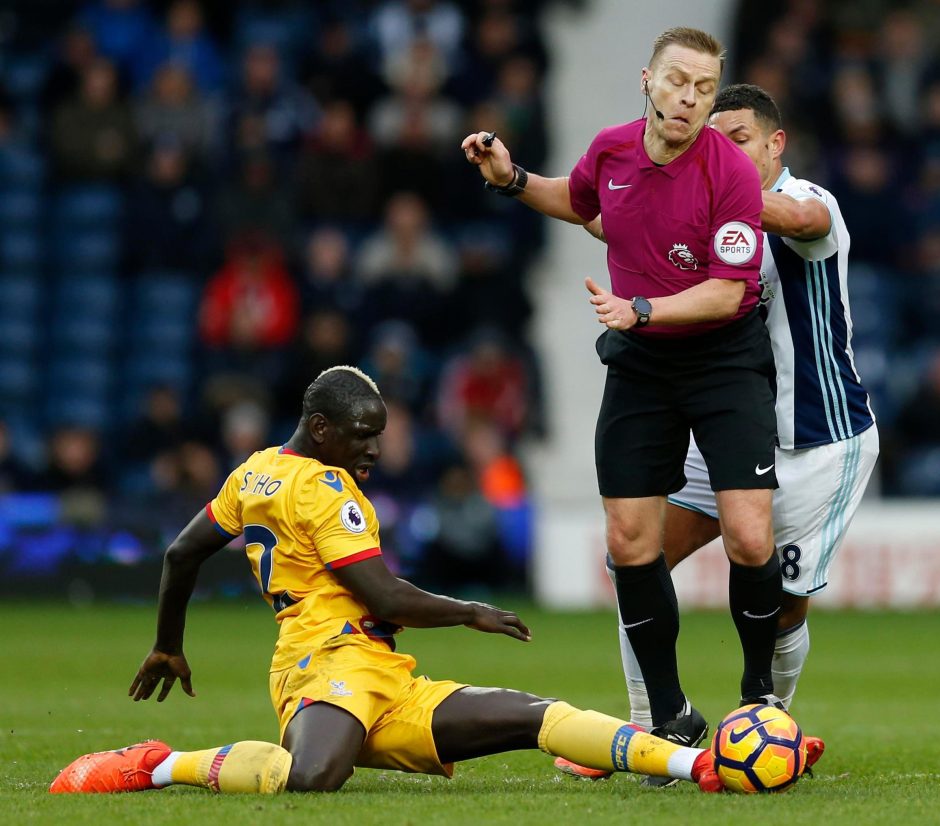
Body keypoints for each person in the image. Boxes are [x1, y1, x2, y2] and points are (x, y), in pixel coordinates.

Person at [49, 366, 732, 795]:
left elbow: (180, 554)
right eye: (360, 434)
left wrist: (169, 642)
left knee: (537, 717)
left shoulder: (252, 471)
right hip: (323, 666)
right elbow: (383, 594)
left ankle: (693, 767)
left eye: (378, 433)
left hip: (380, 672)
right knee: (313, 777)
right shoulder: (325, 489)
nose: (374, 448)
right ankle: (160, 764)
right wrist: (468, 611)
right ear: (320, 429)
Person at [462, 26, 783, 750]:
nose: (689, 99)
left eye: (704, 88)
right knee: (629, 540)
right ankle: (669, 714)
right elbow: (579, 203)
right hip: (642, 366)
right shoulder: (610, 151)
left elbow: (728, 293)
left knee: (749, 533)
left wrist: (640, 309)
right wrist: (511, 180)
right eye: (678, 81)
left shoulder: (729, 172)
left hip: (723, 360)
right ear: (648, 80)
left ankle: (759, 697)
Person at [557, 83, 875, 780]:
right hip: (733, 421)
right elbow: (609, 219)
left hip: (820, 437)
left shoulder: (811, 201)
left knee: (783, 602)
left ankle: (767, 727)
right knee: (632, 558)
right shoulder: (704, 212)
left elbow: (796, 217)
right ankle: (651, 735)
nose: (719, 149)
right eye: (711, 137)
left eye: (733, 140)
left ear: (773, 144)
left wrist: (704, 177)